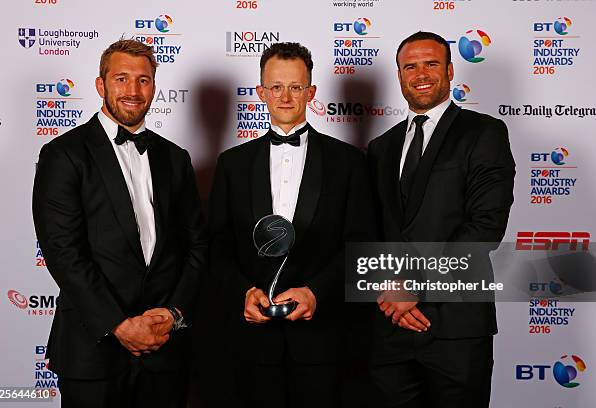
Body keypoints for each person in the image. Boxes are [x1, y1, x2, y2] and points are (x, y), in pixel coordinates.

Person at [32, 39, 207, 408]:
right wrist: (121, 325)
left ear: (154, 87)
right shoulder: (63, 154)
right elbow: (63, 252)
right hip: (93, 350)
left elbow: (196, 245)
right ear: (101, 85)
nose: (132, 90)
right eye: (121, 78)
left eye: (143, 80)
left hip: (165, 350)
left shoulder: (176, 158)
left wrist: (173, 313)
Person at [206, 42, 374, 407]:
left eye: (296, 87)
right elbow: (216, 246)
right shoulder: (232, 163)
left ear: (311, 93)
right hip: (250, 345)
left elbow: (361, 245)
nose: (285, 97)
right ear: (261, 92)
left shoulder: (348, 162)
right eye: (276, 87)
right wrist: (242, 292)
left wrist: (317, 292)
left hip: (323, 342)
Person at [367, 32, 515, 407]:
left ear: (449, 71)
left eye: (431, 63)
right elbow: (371, 230)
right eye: (410, 66)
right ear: (399, 76)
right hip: (389, 329)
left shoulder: (484, 133)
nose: (420, 73)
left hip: (456, 329)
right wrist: (389, 293)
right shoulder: (380, 147)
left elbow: (484, 228)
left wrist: (412, 287)